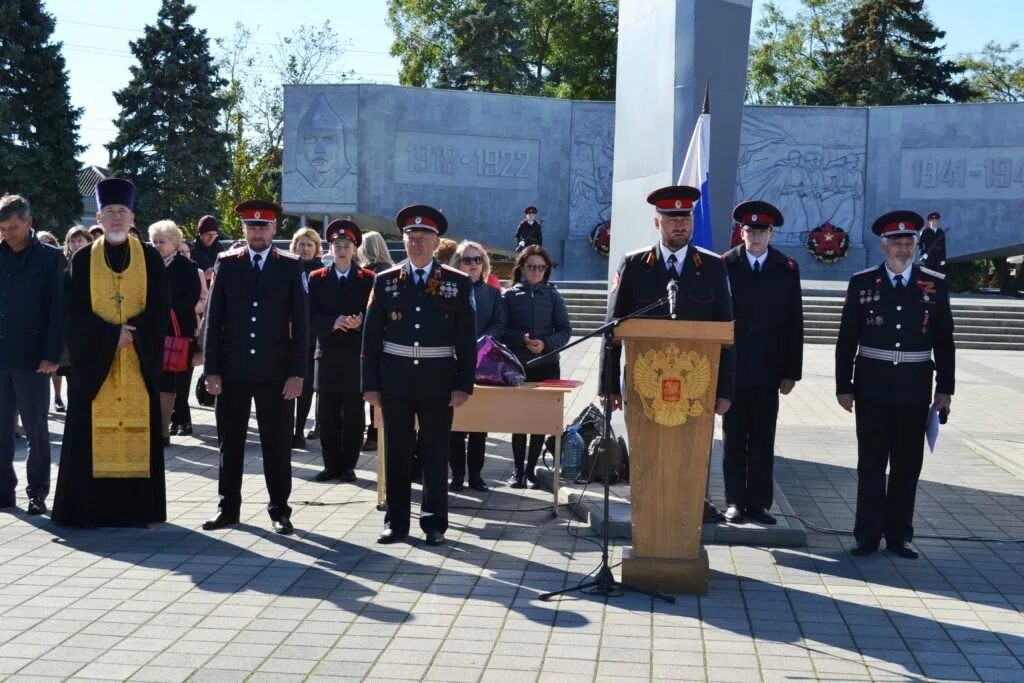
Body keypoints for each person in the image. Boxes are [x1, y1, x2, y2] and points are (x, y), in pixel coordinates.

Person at [599, 185, 735, 523]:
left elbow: (727, 334)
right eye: (672, 218)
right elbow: (612, 330)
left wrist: (725, 390)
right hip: (646, 386)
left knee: (690, 454)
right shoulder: (634, 265)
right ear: (657, 222)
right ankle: (648, 514)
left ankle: (690, 513)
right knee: (649, 455)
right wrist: (609, 386)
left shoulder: (714, 267)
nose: (680, 225)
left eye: (685, 218)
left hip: (695, 388)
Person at [836, 210, 955, 560]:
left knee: (907, 464)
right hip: (872, 385)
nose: (903, 250)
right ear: (883, 246)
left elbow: (945, 340)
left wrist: (945, 388)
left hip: (914, 386)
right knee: (871, 463)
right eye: (897, 243)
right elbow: (847, 339)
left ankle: (899, 535)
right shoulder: (863, 283)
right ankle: (867, 535)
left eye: (909, 243)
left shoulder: (933, 283)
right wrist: (844, 385)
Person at [52, 179, 171, 527]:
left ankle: (138, 511)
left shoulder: (149, 257)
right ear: (99, 217)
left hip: (138, 358)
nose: (116, 217)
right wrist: (108, 335)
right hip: (94, 368)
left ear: (132, 217)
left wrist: (131, 333)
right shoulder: (81, 259)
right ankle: (87, 510)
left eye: (122, 212)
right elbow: (71, 312)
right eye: (110, 212)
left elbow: (161, 307)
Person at [362, 205, 476, 546]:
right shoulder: (385, 281)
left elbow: (466, 339)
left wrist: (462, 383)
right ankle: (396, 523)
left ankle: (434, 523)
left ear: (436, 241)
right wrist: (370, 384)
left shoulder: (456, 283)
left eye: (423, 237)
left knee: (435, 452)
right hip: (395, 379)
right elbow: (370, 337)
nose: (416, 244)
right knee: (396, 452)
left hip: (438, 379)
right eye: (411, 238)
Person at [202, 200, 307, 535]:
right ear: (244, 229)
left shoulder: (290, 266)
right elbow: (213, 320)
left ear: (275, 229)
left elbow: (302, 326)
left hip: (275, 374)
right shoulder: (227, 263)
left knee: (276, 446)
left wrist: (297, 373)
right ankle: (228, 508)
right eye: (251, 226)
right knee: (229, 445)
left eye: (263, 227)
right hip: (232, 372)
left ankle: (280, 510)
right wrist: (211, 369)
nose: (257, 232)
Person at [721, 201, 804, 525]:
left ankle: (759, 504)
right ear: (741, 233)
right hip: (734, 368)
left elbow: (794, 322)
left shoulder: (786, 268)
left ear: (771, 234)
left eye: (761, 231)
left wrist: (791, 371)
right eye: (749, 230)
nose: (754, 236)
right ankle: (734, 503)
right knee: (733, 437)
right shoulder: (725, 265)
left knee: (762, 438)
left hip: (769, 370)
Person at [0, 195, 65, 515]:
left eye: (13, 227)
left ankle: (37, 492)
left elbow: (58, 310)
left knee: (37, 429)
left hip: (34, 359)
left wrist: (52, 355)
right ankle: (3, 491)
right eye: (1, 228)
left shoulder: (50, 258)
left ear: (28, 223)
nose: (6, 234)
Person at [308, 220, 374, 482]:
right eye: (337, 246)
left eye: (347, 246)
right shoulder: (317, 278)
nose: (342, 250)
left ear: (355, 248)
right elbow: (308, 315)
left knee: (354, 414)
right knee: (327, 413)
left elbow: (377, 317)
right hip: (327, 355)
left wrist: (362, 323)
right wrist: (331, 322)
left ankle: (348, 465)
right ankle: (330, 464)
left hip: (355, 355)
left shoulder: (368, 279)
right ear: (330, 249)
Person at [501, 246, 571, 488]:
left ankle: (531, 470)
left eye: (541, 267)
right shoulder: (509, 296)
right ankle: (518, 470)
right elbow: (501, 331)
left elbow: (565, 331)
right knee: (519, 421)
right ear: (522, 267)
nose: (536, 271)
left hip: (547, 364)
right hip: (519, 364)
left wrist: (546, 345)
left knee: (539, 421)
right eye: (532, 266)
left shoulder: (553, 295)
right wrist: (520, 338)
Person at [449, 241, 506, 492]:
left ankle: (476, 475)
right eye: (467, 260)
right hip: (452, 362)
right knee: (456, 425)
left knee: (479, 425)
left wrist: (480, 343)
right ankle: (457, 476)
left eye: (477, 260)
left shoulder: (492, 294)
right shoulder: (449, 290)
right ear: (458, 263)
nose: (473, 264)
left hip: (483, 364)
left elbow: (499, 323)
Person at [148, 220, 201, 446]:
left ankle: (166, 429)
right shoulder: (148, 263)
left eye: (162, 241)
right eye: (155, 241)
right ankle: (158, 429)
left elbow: (191, 298)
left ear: (174, 242)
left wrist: (164, 305)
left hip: (178, 332)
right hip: (151, 332)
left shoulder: (187, 266)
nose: (158, 245)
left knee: (173, 383)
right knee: (156, 382)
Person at [357, 231, 394, 452]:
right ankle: (374, 432)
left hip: (375, 338)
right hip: (388, 339)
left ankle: (373, 435)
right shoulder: (391, 268)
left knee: (372, 389)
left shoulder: (374, 274)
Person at [290, 227, 324, 448]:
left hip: (311, 339)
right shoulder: (286, 267)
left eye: (309, 245)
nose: (304, 249)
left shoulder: (321, 273)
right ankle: (284, 430)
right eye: (300, 244)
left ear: (316, 249)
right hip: (286, 336)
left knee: (305, 388)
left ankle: (299, 430)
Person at [171, 240, 207, 436]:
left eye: (186, 251)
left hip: (190, 329)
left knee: (183, 379)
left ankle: (184, 419)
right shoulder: (168, 269)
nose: (184, 254)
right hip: (170, 330)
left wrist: (190, 308)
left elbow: (204, 299)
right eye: (180, 251)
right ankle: (175, 418)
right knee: (169, 382)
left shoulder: (197, 272)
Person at [55, 226, 94, 406]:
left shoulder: (97, 262)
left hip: (92, 327)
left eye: (80, 240)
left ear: (88, 241)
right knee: (72, 376)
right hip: (69, 328)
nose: (76, 244)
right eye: (73, 240)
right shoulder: (62, 262)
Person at [190, 214, 224, 282]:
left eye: (214, 235)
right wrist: (204, 276)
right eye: (208, 234)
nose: (211, 238)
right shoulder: (190, 250)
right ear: (201, 234)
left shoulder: (219, 248)